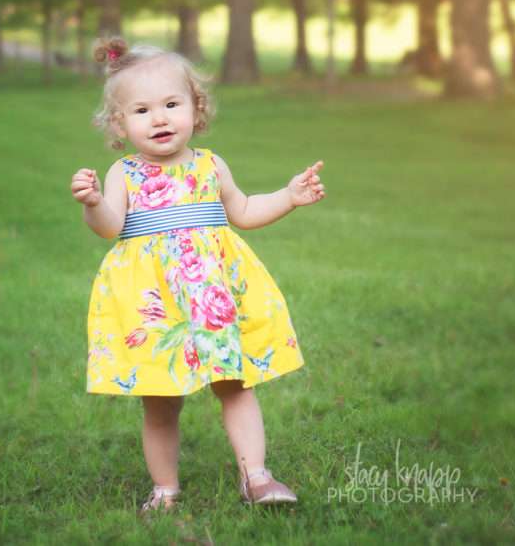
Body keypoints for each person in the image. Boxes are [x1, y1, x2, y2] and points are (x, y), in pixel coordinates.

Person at [69, 36, 326, 513]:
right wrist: (93, 204)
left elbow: (244, 211)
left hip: (212, 299)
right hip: (154, 305)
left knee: (234, 383)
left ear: (196, 107)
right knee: (160, 401)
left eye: (171, 104)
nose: (160, 118)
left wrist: (288, 197)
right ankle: (165, 489)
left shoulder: (211, 165)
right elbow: (110, 227)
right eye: (142, 111)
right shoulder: (124, 174)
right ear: (120, 124)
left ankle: (256, 477)